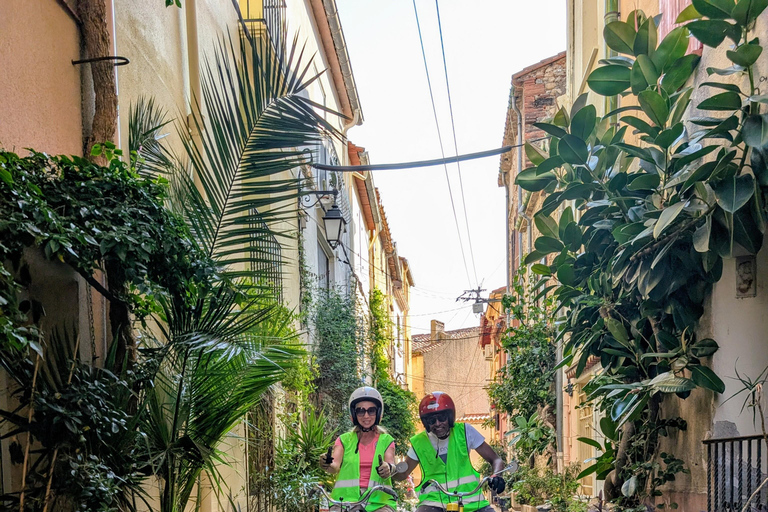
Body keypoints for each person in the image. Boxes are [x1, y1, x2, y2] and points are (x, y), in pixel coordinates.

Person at [393, 392, 506, 512]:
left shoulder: (465, 432)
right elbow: (402, 474)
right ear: (426, 423)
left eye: (442, 418)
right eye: (432, 420)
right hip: (433, 504)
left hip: (471, 502)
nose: (437, 424)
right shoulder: (419, 442)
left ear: (450, 417)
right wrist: (390, 469)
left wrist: (496, 476)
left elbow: (496, 460)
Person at [320, 386, 398, 512]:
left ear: (378, 413)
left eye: (371, 410)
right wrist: (326, 462)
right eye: (360, 411)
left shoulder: (386, 440)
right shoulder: (344, 440)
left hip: (379, 503)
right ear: (354, 414)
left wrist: (387, 468)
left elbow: (391, 464)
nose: (366, 415)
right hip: (345, 502)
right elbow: (334, 466)